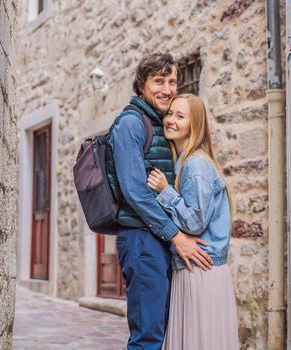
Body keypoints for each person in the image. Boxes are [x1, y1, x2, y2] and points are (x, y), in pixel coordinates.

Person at [108, 53, 213, 350]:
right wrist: (176, 235)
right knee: (147, 337)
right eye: (158, 81)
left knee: (159, 330)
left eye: (172, 82)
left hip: (154, 238)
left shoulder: (157, 122)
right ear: (142, 85)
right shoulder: (131, 123)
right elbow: (135, 191)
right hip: (142, 240)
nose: (167, 89)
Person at [146, 94, 239, 350]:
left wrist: (165, 190)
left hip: (200, 267)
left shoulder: (195, 164)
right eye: (169, 114)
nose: (170, 120)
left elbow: (195, 222)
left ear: (195, 124)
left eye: (180, 116)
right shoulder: (187, 161)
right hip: (199, 267)